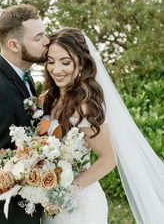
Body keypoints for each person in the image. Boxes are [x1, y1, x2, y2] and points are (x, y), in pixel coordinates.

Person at [42, 27, 164, 224]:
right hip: (51, 202)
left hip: (79, 206)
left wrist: (65, 193)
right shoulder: (49, 99)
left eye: (65, 62)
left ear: (81, 63)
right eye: (50, 61)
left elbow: (108, 159)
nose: (56, 69)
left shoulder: (86, 105)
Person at [0, 4, 49, 224]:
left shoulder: (24, 76)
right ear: (14, 45)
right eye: (38, 37)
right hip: (4, 216)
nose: (47, 41)